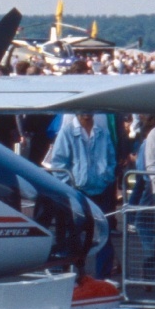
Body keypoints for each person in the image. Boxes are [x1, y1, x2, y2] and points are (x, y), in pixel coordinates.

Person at [50, 111, 117, 277]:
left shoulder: (103, 132)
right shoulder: (67, 132)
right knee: (74, 235)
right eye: (82, 109)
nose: (86, 113)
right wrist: (71, 186)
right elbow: (58, 164)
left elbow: (111, 158)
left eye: (90, 109)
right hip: (78, 192)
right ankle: (75, 276)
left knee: (104, 234)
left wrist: (106, 177)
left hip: (102, 190)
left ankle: (103, 278)